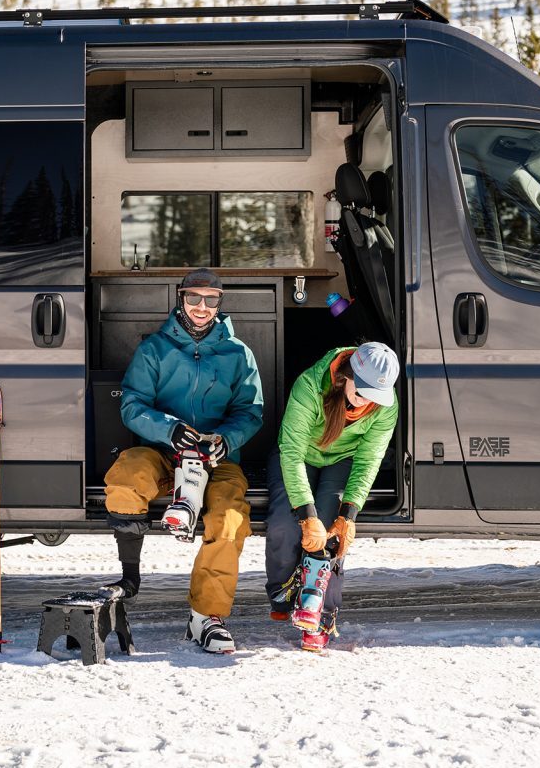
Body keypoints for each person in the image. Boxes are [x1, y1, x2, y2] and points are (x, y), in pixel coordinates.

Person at [104, 268, 263, 654]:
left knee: (229, 519)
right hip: (163, 452)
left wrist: (226, 440)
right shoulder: (155, 349)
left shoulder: (238, 353)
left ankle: (205, 617)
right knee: (126, 477)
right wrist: (168, 429)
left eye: (211, 300)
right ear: (180, 299)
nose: (202, 307)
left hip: (217, 461)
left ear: (220, 303)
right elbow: (132, 404)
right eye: (194, 298)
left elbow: (250, 411)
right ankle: (130, 577)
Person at [265, 342, 399, 652]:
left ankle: (321, 610)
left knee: (330, 530)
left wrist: (348, 515)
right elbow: (292, 452)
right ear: (347, 375)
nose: (365, 400)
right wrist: (305, 515)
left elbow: (369, 460)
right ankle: (282, 591)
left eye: (374, 396)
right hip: (297, 456)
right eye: (361, 390)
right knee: (286, 523)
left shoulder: (385, 407)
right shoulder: (310, 385)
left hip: (343, 459)